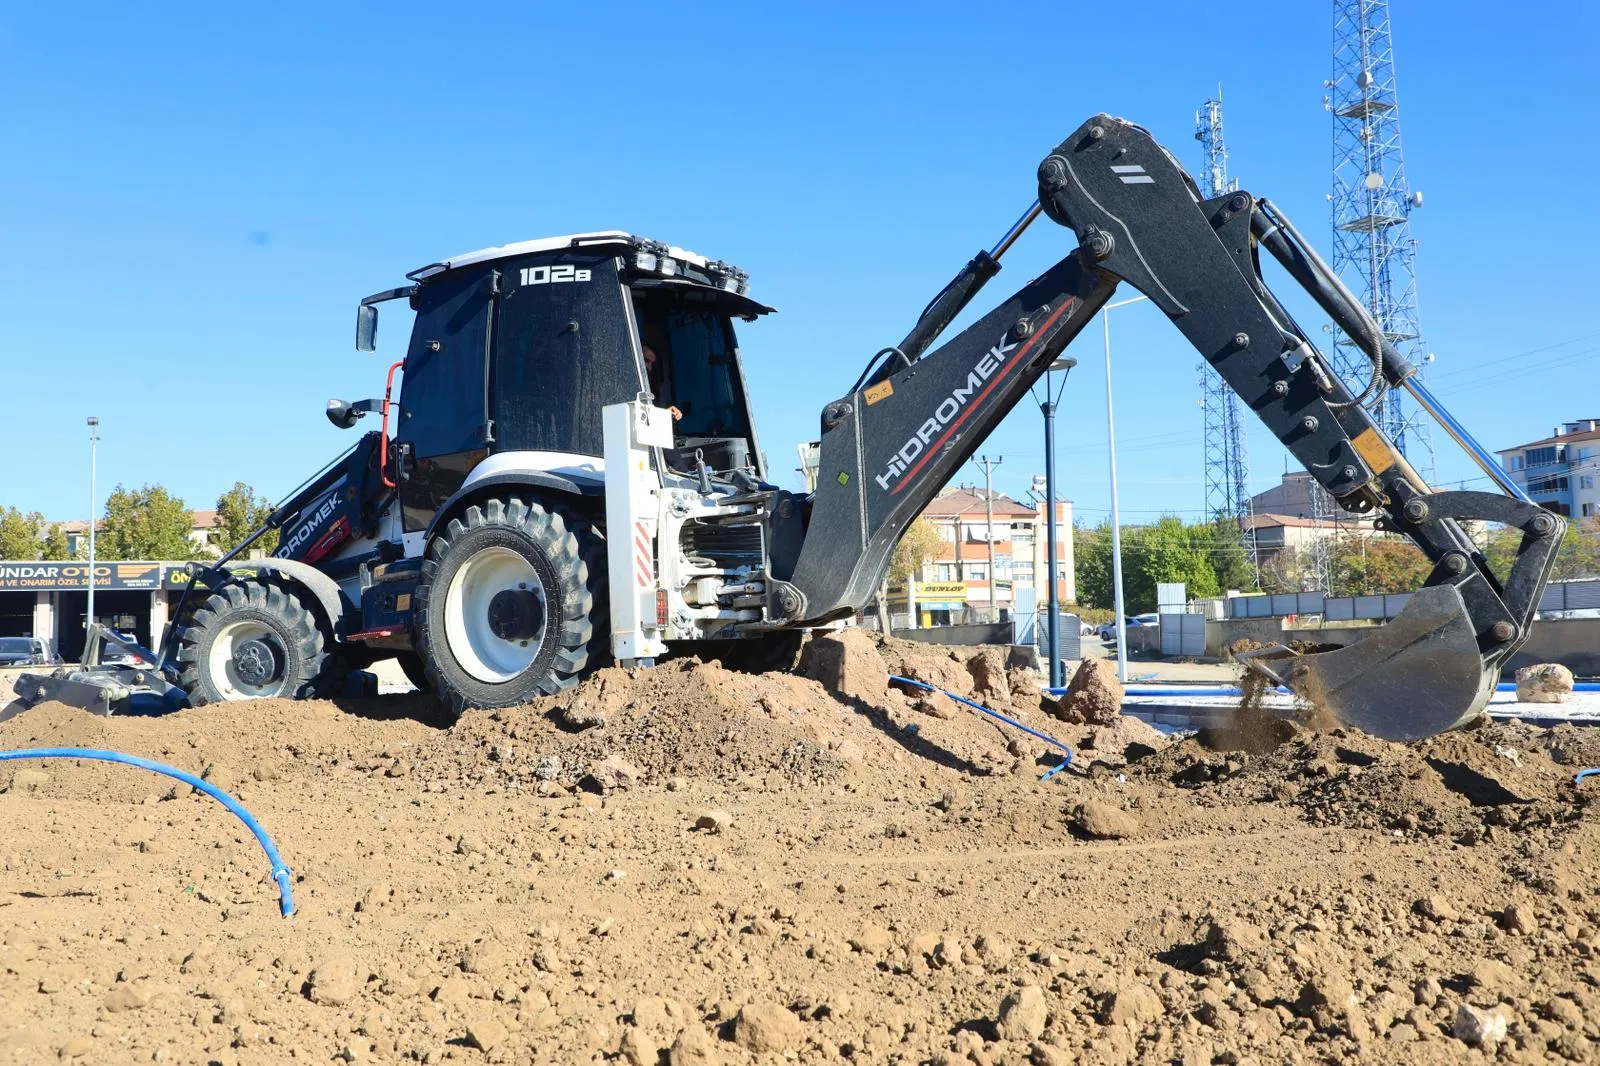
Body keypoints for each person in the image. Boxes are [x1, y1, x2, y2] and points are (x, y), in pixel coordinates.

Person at [641, 342, 681, 421]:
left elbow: (650, 413)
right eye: (646, 360)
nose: (650, 367)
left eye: (652, 364)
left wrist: (667, 413)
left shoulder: (652, 388)